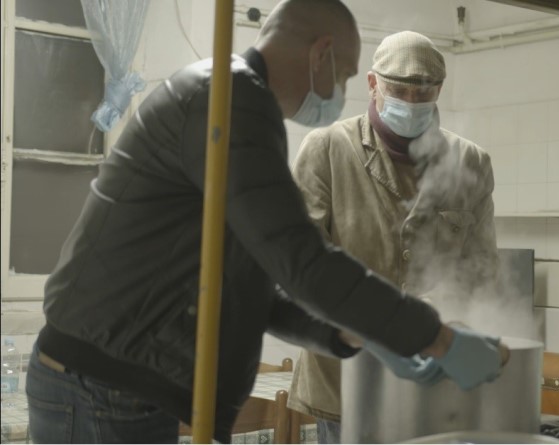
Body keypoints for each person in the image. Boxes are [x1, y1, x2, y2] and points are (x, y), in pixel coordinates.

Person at [25, 2, 506, 443]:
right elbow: (303, 262)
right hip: (101, 386)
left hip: (114, 384)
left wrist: (354, 334)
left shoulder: (236, 102)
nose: (340, 92)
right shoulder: (227, 100)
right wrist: (436, 337)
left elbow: (258, 281)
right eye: (344, 75)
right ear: (320, 54)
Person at [287, 31, 500, 444]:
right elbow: (303, 267)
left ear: (439, 90)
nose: (411, 102)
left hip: (433, 373)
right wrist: (390, 322)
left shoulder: (469, 162)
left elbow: (482, 270)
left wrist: (432, 319)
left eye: (423, 93)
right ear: (373, 84)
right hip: (344, 378)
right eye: (399, 91)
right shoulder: (327, 150)